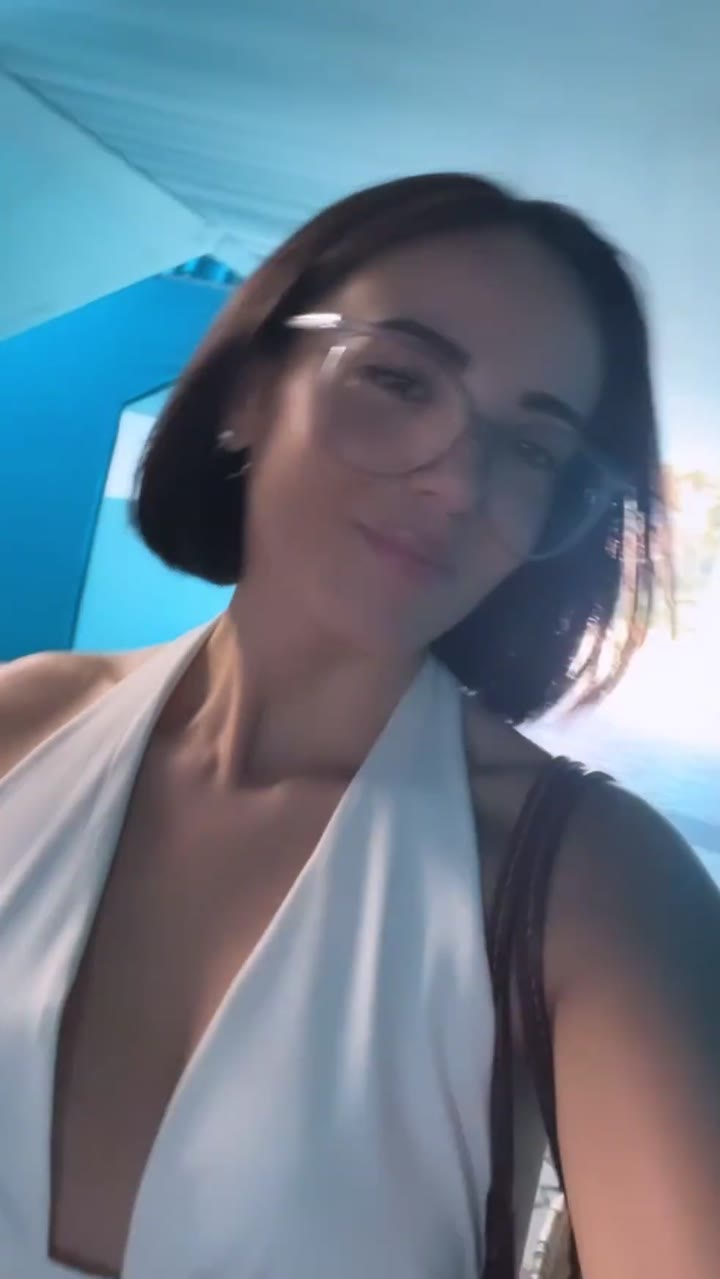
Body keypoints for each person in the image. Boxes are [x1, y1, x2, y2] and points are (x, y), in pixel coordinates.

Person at [1, 172, 718, 1279]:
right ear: (250, 391)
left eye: (534, 449)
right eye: (397, 378)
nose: (457, 480)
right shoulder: (24, 724)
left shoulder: (594, 886)